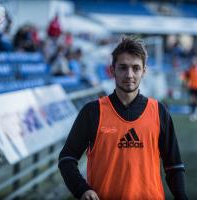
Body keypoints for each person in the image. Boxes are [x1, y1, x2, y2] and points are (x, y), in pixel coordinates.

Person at [58, 37, 187, 200]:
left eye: (136, 68)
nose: (129, 75)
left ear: (144, 71)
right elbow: (67, 158)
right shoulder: (93, 112)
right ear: (112, 70)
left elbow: (174, 166)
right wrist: (82, 189)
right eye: (123, 68)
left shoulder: (159, 111)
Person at [184, 56, 197, 121]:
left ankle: (196, 112)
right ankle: (192, 113)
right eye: (193, 60)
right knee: (192, 100)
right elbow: (186, 77)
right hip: (192, 86)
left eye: (195, 60)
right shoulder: (190, 68)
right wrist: (187, 82)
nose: (194, 62)